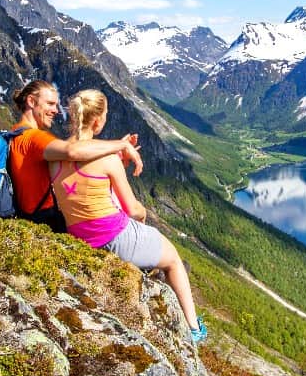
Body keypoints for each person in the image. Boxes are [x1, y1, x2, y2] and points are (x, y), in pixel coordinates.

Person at [51, 89, 207, 344]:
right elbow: (132, 210)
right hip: (114, 237)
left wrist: (117, 154)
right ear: (98, 121)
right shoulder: (108, 160)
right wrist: (143, 213)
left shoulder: (54, 157)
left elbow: (84, 176)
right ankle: (193, 329)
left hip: (79, 237)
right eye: (105, 114)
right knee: (174, 260)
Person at [8, 80, 143, 233]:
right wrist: (122, 145)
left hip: (28, 217)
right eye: (50, 104)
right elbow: (72, 151)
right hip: (47, 221)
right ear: (31, 101)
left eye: (56, 105)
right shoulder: (35, 138)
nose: (56, 110)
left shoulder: (16, 133)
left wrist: (114, 156)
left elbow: (69, 161)